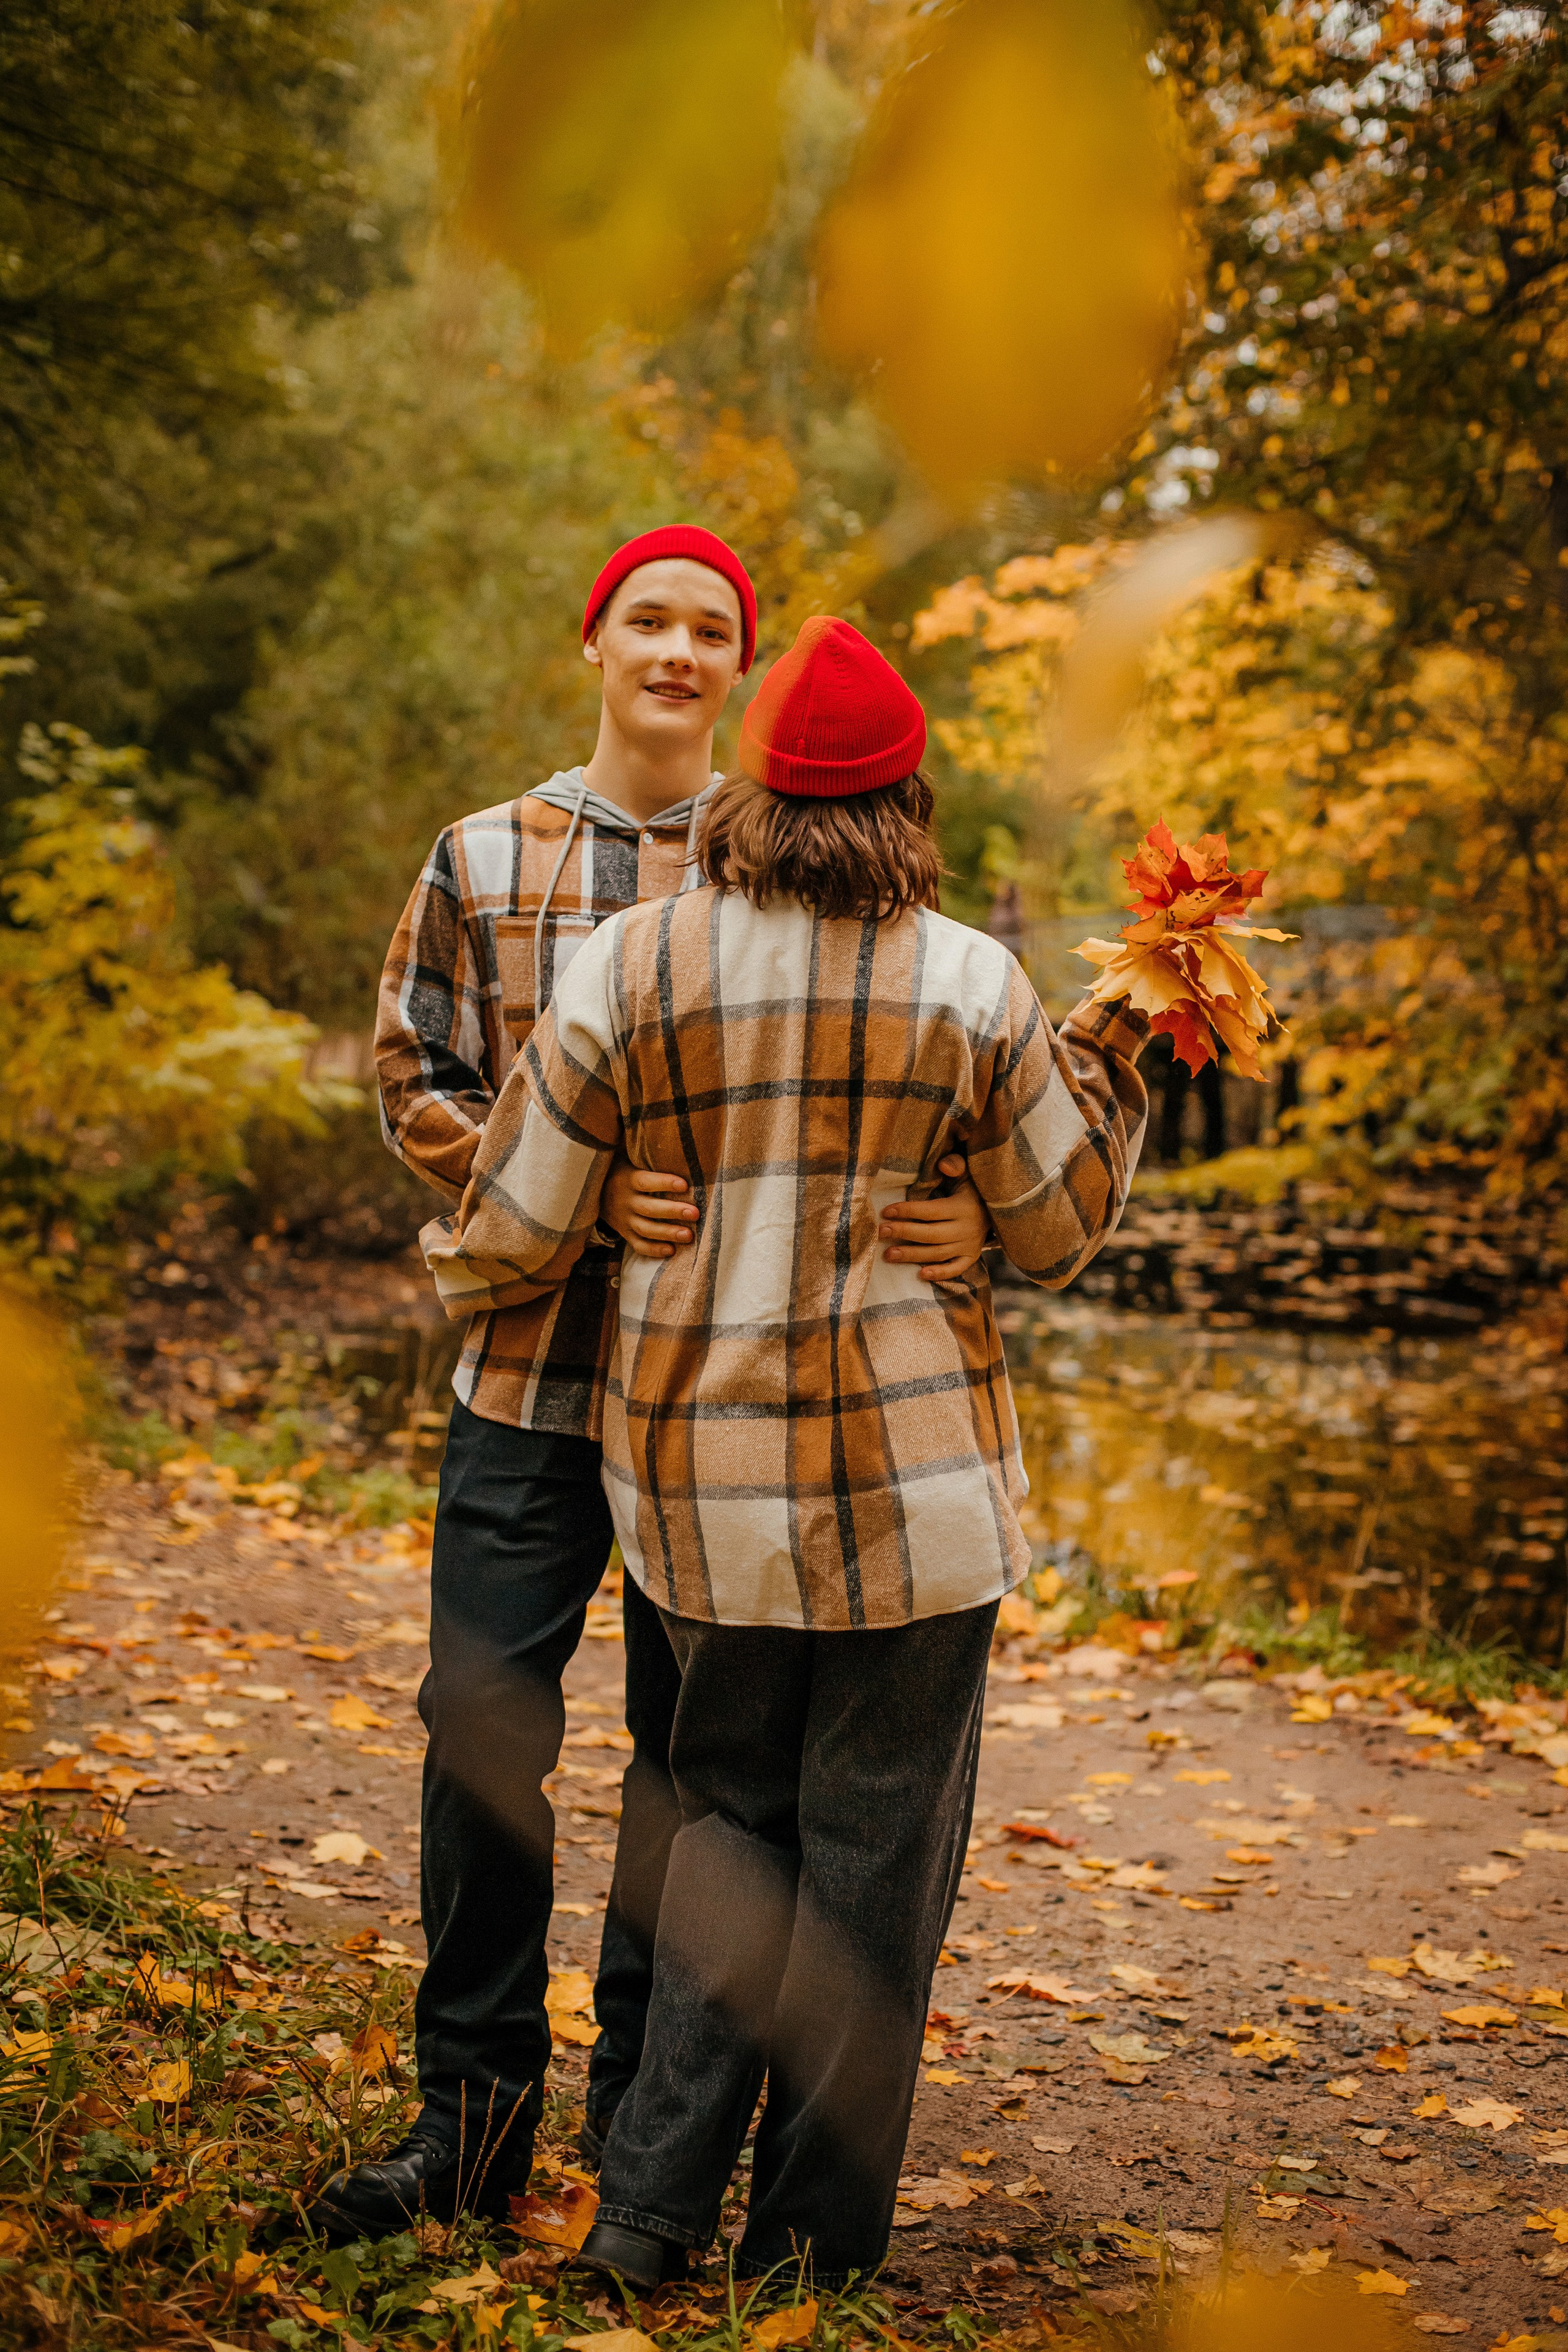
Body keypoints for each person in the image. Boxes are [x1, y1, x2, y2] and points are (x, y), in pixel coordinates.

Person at [421, 615, 1150, 2286]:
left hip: (703, 1502)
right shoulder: (973, 977)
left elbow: (509, 1231)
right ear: (909, 794)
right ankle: (810, 2256)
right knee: (876, 1869)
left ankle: (648, 2221)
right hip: (923, 1509)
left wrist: (587, 1214)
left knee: (721, 1840)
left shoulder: (638, 964)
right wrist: (1111, 1071)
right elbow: (1055, 1230)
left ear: (753, 786)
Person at [311, 540, 993, 2240]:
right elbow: (412, 1068)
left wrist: (970, 1207)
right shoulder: (487, 855)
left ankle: (638, 2128)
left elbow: (947, 1088)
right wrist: (562, 1189)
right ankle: (465, 2128)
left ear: (745, 677)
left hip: (731, 1427)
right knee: (481, 1735)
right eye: (652, 622)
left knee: (687, 1779)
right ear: (596, 643)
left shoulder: (798, 853)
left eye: (714, 632)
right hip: (537, 1385)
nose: (678, 651)